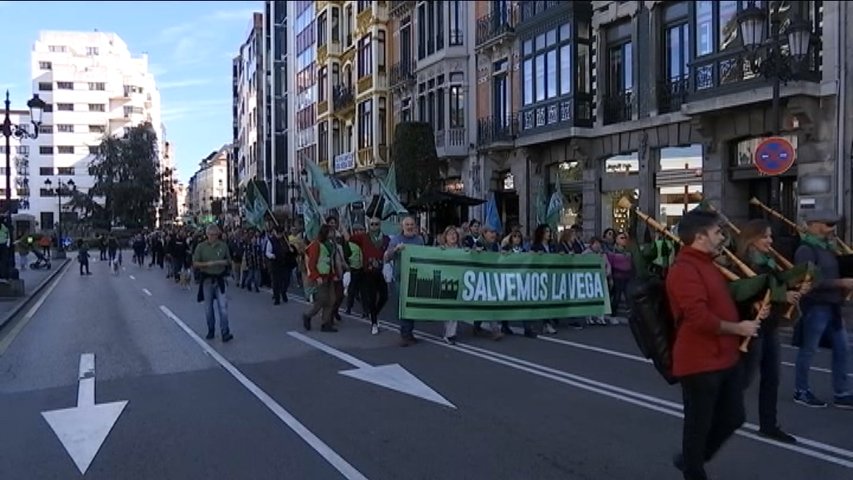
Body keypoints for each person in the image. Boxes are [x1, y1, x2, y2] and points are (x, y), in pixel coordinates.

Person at [666, 210, 766, 480]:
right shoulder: (684, 269)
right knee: (698, 425)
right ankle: (693, 468)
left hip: (725, 356)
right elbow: (698, 318)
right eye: (717, 232)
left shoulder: (708, 263)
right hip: (699, 361)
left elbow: (721, 304)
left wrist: (751, 309)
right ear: (700, 237)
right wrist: (738, 328)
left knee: (733, 417)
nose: (722, 237)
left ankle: (692, 459)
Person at [735, 219, 802, 442]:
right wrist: (781, 295)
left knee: (772, 378)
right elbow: (743, 292)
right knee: (744, 379)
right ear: (751, 239)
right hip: (751, 327)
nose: (770, 241)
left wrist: (795, 285)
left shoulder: (770, 262)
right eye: (765, 236)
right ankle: (718, 413)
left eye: (770, 236)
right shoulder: (741, 263)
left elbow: (775, 286)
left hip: (770, 326)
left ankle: (769, 424)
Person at [792, 210, 853, 409]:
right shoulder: (806, 249)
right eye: (828, 224)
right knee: (808, 350)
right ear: (814, 225)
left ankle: (842, 392)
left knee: (843, 349)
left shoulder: (828, 247)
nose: (832, 228)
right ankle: (801, 390)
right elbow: (808, 282)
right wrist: (841, 282)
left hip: (833, 306)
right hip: (815, 307)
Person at [384, 215, 425, 346]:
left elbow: (425, 256)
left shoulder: (419, 240)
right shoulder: (396, 240)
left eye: (411, 224)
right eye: (407, 224)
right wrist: (396, 249)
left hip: (414, 277)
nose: (409, 227)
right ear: (402, 226)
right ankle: (404, 334)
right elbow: (386, 257)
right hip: (400, 278)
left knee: (411, 306)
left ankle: (409, 332)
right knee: (401, 306)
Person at [346, 217, 390, 335]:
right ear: (369, 226)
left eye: (376, 224)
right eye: (372, 224)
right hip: (368, 272)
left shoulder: (385, 239)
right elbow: (349, 238)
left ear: (380, 225)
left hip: (381, 272)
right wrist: (341, 227)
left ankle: (374, 313)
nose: (374, 226)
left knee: (384, 296)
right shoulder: (364, 237)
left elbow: (391, 250)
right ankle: (374, 323)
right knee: (371, 298)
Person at [192, 224, 233, 342]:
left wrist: (223, 262)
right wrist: (207, 264)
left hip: (220, 278)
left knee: (223, 307)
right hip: (207, 279)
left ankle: (225, 332)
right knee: (208, 308)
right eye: (211, 235)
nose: (213, 237)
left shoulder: (223, 246)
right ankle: (211, 330)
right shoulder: (201, 247)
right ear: (207, 235)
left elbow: (229, 261)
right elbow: (195, 263)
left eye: (215, 235)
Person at [303, 224, 343, 332]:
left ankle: (326, 323)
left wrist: (334, 275)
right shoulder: (316, 244)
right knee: (321, 300)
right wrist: (316, 276)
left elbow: (331, 261)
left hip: (329, 275)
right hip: (320, 276)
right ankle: (308, 315)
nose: (332, 234)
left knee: (332, 300)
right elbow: (312, 263)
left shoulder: (331, 244)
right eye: (330, 232)